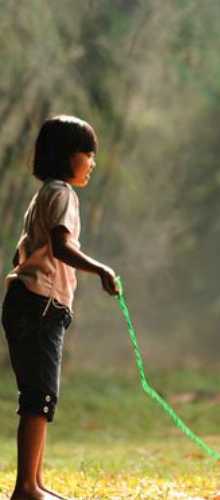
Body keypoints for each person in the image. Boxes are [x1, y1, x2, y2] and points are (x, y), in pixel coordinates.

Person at [2, 115, 119, 500]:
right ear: (68, 157)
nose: (92, 163)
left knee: (39, 396)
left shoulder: (46, 194)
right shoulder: (63, 194)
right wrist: (100, 268)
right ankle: (25, 488)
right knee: (38, 398)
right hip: (39, 305)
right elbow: (60, 246)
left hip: (25, 301)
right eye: (88, 154)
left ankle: (34, 483)